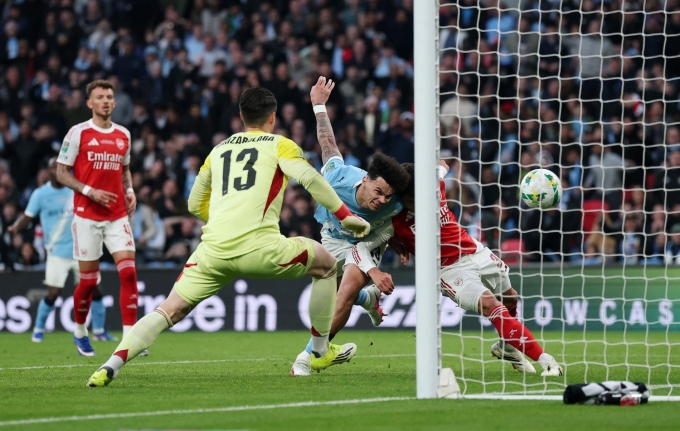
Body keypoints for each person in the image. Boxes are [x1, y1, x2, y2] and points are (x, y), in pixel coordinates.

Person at [85, 85, 371, 387]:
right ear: (273, 117)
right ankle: (320, 351)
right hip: (262, 249)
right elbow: (311, 179)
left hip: (213, 251)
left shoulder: (219, 150)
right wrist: (346, 217)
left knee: (168, 309)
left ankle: (110, 365)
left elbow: (194, 204)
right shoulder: (280, 145)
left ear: (241, 117)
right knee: (326, 266)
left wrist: (225, 221)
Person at [344, 161, 564, 377]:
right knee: (491, 305)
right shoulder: (393, 222)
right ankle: (545, 360)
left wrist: (439, 167)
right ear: (402, 199)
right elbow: (358, 249)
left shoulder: (434, 185)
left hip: (474, 250)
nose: (423, 202)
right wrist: (374, 271)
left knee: (511, 299)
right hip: (449, 271)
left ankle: (507, 347)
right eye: (414, 199)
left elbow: (441, 164)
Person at [290, 77, 410, 376]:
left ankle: (309, 357)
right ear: (365, 180)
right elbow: (328, 143)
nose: (382, 201)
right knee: (332, 293)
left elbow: (401, 220)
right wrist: (319, 105)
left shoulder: (396, 203)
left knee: (346, 289)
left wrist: (398, 242)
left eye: (388, 197)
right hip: (332, 237)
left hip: (369, 242)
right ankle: (367, 299)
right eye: (378, 192)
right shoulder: (337, 176)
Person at [56, 79, 139, 357]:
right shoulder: (78, 132)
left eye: (109, 97)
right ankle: (80, 332)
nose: (105, 101)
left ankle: (130, 339)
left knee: (129, 273)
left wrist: (130, 191)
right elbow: (61, 173)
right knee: (89, 282)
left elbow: (125, 170)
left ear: (114, 102)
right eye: (100, 97)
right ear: (89, 103)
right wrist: (89, 191)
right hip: (87, 216)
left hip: (117, 215)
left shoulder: (123, 134)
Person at [8, 158, 118, 343]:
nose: (58, 170)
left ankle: (99, 331)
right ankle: (38, 330)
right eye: (54, 168)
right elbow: (28, 216)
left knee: (95, 289)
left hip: (82, 250)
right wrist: (16, 228)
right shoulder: (40, 194)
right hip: (57, 253)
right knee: (53, 293)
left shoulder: (76, 189)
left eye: (62, 167)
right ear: (49, 172)